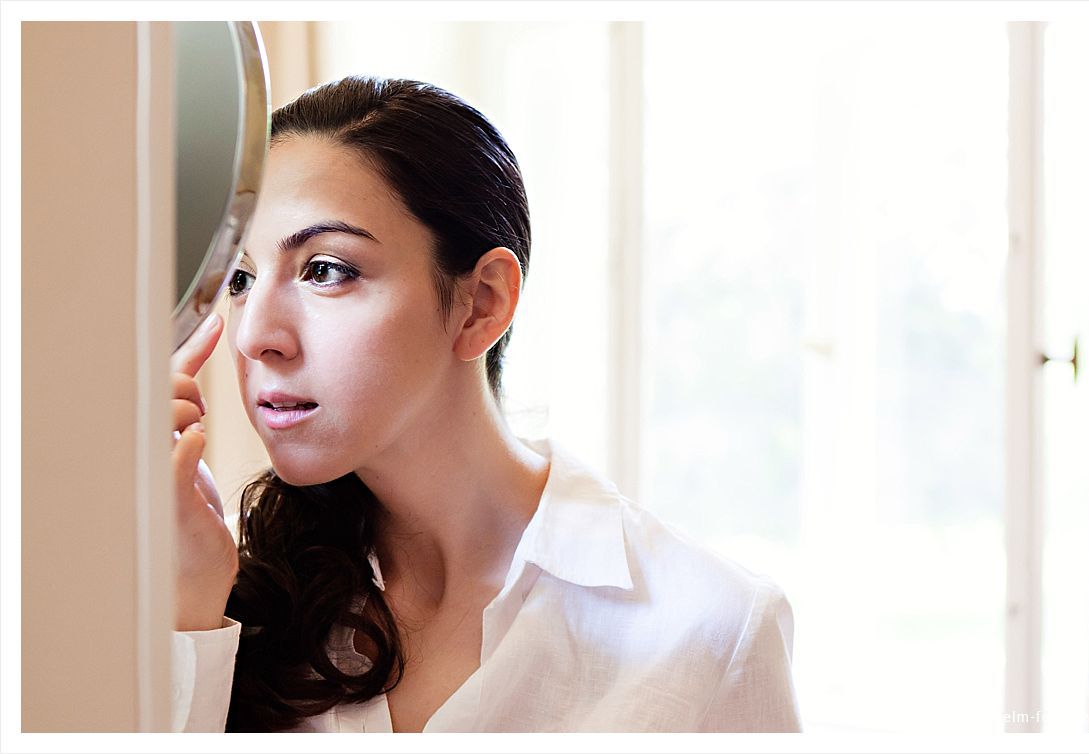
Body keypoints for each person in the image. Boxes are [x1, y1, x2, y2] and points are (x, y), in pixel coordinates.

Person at [169, 75, 802, 733]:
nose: (255, 335)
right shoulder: (236, 598)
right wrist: (188, 614)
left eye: (326, 269)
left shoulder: (710, 631)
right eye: (240, 278)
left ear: (482, 302)